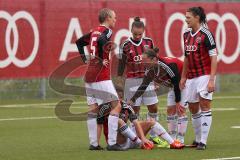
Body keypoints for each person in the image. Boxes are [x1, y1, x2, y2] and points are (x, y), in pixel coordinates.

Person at [75, 8, 124, 151]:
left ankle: (94, 144)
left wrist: (85, 59)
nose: (115, 20)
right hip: (101, 75)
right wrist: (103, 58)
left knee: (93, 109)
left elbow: (78, 42)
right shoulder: (106, 31)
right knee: (116, 106)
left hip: (89, 74)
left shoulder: (94, 31)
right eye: (114, 17)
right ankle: (112, 143)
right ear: (108, 17)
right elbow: (103, 40)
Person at [128, 48, 188, 145]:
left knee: (180, 110)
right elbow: (144, 85)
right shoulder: (150, 69)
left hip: (184, 82)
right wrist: (133, 99)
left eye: (145, 61)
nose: (143, 63)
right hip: (174, 86)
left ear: (154, 59)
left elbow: (177, 82)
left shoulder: (168, 65)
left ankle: (180, 139)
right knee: (170, 111)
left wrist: (178, 101)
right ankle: (173, 139)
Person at [179, 6, 218, 150]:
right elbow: (187, 57)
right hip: (191, 78)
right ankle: (197, 139)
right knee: (193, 108)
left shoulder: (206, 34)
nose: (186, 19)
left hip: (205, 75)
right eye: (185, 16)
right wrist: (183, 77)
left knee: (205, 106)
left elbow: (214, 57)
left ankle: (203, 141)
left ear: (197, 18)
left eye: (188, 17)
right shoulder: (186, 34)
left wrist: (212, 79)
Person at [117, 17, 160, 144]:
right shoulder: (125, 45)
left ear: (143, 31)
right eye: (135, 34)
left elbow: (155, 62)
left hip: (148, 80)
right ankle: (133, 137)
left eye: (140, 34)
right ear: (131, 30)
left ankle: (152, 135)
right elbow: (121, 65)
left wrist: (156, 80)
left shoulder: (149, 42)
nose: (137, 36)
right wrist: (120, 82)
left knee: (153, 108)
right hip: (132, 81)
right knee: (134, 111)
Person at [97, 101, 184, 150]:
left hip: (131, 138)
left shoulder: (126, 106)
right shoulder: (105, 108)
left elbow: (136, 123)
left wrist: (143, 139)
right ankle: (139, 143)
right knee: (118, 120)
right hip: (118, 143)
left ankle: (172, 143)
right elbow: (99, 125)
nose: (119, 102)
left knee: (151, 121)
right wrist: (96, 144)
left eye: (120, 99)